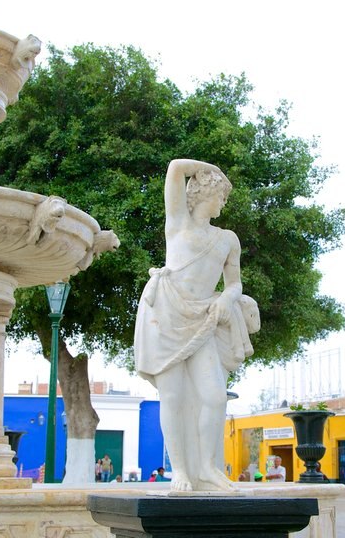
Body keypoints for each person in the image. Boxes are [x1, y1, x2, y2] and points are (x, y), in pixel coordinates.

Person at [134, 159, 258, 492]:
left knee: (215, 396)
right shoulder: (177, 223)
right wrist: (212, 167)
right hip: (165, 313)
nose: (223, 202)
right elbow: (175, 168)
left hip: (203, 317)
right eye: (220, 195)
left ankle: (206, 467)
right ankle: (181, 472)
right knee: (171, 396)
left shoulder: (228, 239)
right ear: (205, 192)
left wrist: (225, 300)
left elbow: (235, 283)